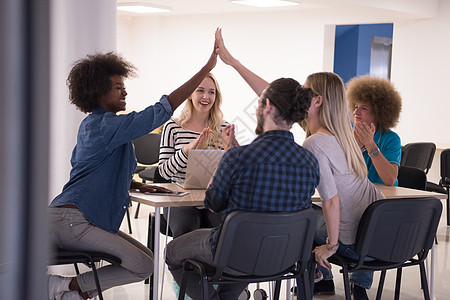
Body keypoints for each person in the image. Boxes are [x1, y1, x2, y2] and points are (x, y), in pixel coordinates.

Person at [214, 29, 385, 300]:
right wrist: (233, 62)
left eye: (304, 92)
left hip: (353, 246)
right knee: (305, 210)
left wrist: (331, 246)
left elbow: (332, 201)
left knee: (295, 216)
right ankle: (321, 278)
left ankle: (311, 273)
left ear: (316, 101)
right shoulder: (345, 136)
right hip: (380, 240)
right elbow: (271, 96)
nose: (297, 97)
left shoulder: (316, 143)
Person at [47, 44, 217, 300]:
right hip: (74, 221)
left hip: (80, 218)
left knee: (146, 260)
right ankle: (66, 287)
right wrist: (206, 69)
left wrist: (138, 186)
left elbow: (92, 171)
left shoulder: (98, 126)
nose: (125, 91)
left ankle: (75, 293)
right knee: (143, 266)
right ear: (98, 91)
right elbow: (160, 111)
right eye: (118, 87)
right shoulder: (105, 125)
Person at [165, 76, 320, 300]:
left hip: (236, 252)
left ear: (266, 106)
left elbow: (212, 204)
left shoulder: (238, 157)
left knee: (172, 252)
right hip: (284, 255)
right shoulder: (309, 160)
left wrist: (228, 155)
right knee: (247, 248)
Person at [158, 72, 233, 238]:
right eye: (200, 90)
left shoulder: (224, 128)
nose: (206, 96)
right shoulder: (173, 126)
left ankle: (212, 265)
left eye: (211, 92)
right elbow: (163, 172)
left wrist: (231, 152)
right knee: (187, 228)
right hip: (179, 198)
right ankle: (182, 264)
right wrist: (187, 151)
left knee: (225, 229)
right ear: (190, 95)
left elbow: (229, 172)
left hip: (211, 198)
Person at [347, 75, 402, 186]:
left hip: (383, 199)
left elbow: (390, 179)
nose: (356, 112)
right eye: (356, 107)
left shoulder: (390, 139)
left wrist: (370, 144)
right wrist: (355, 146)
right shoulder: (347, 136)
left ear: (378, 113)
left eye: (364, 108)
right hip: (355, 197)